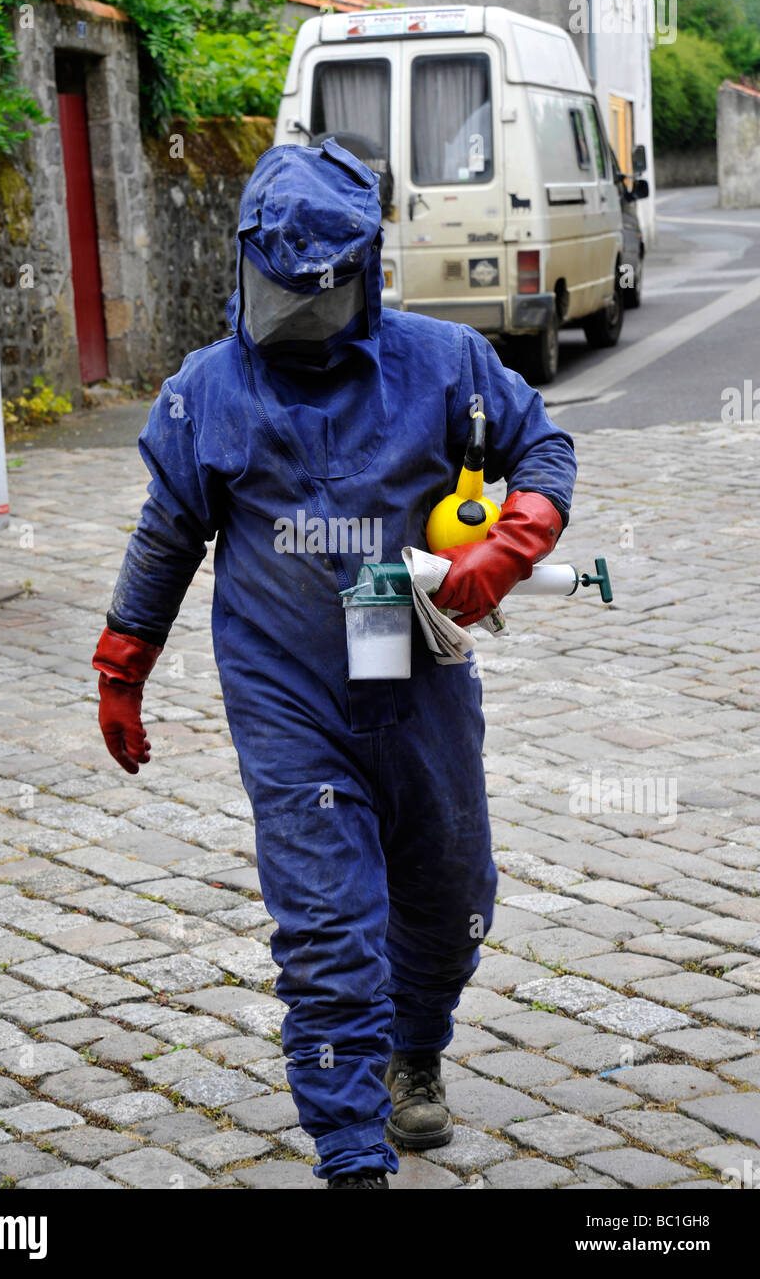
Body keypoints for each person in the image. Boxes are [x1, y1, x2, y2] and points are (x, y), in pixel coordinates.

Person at [92, 139, 576, 1189]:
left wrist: (510, 542)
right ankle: (351, 1145)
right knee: (327, 922)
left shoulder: (442, 366)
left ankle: (414, 1051)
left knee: (453, 898)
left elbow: (544, 444)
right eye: (286, 293)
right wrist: (122, 666)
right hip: (286, 693)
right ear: (247, 267)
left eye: (326, 293)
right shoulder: (205, 395)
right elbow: (167, 536)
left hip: (415, 679)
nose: (304, 316)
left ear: (366, 270)